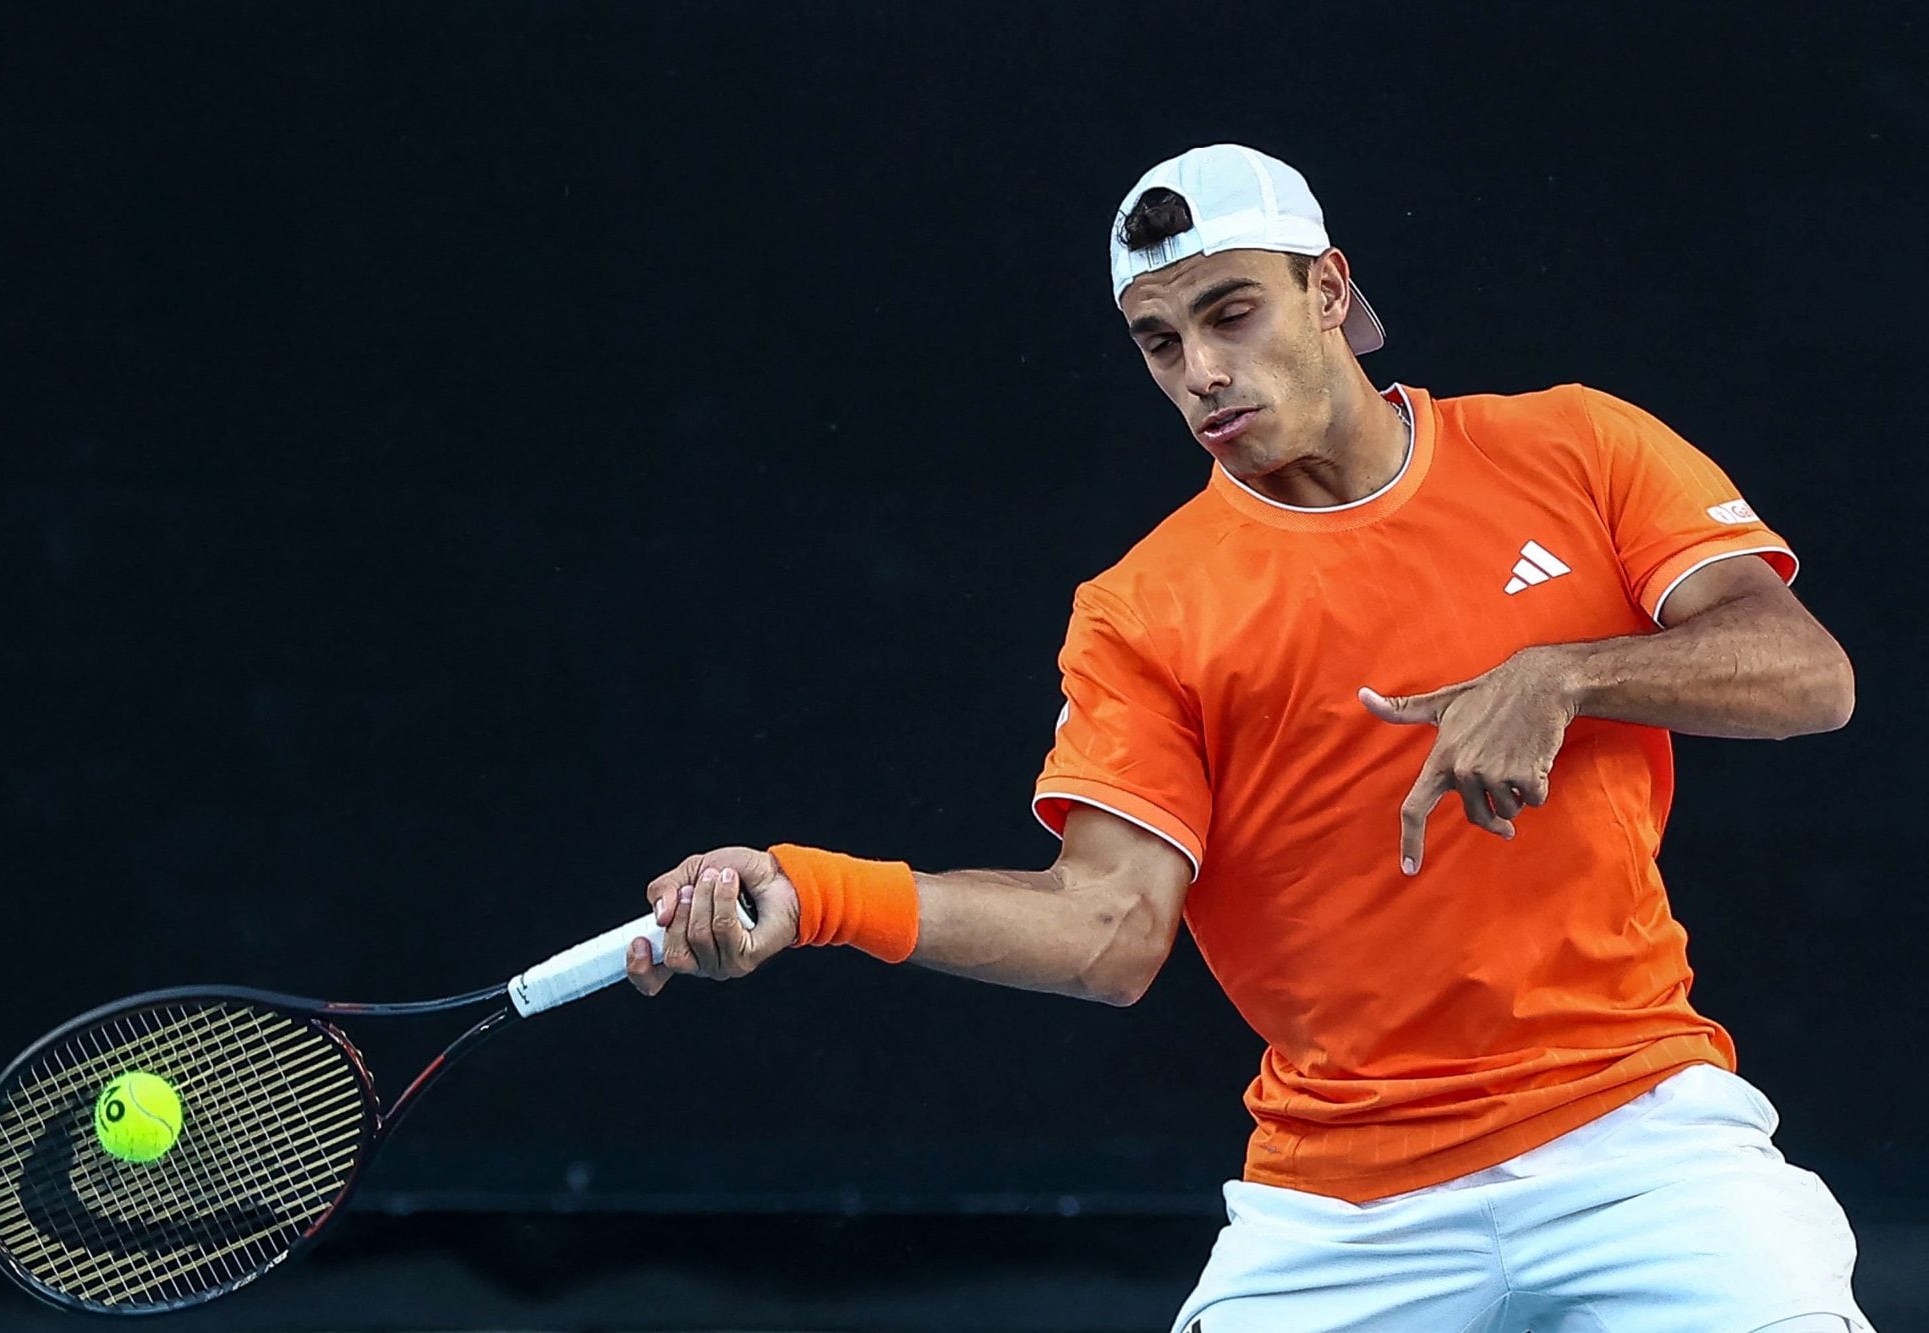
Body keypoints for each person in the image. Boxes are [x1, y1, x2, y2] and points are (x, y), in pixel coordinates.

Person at [623, 144, 1872, 1332]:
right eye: (1159, 342)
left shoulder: (1574, 443)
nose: (1200, 373)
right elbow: (1107, 931)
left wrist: (1563, 673)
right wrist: (816, 894)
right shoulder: (1140, 609)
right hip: (1338, 1202)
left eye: (1231, 315)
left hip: (1639, 1137)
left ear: (1326, 289)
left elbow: (1808, 675)